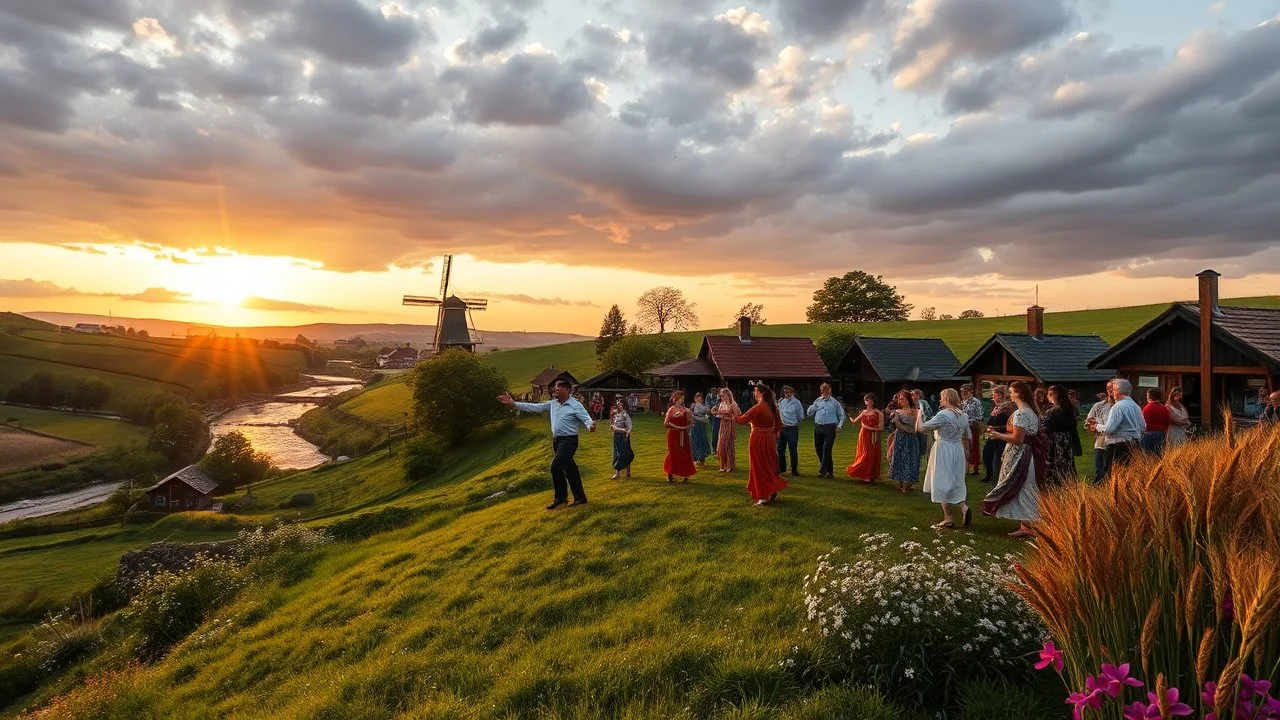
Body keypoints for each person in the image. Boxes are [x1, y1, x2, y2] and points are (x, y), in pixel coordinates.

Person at [499, 380, 596, 510]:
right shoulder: (553, 404)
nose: (555, 391)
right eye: (555, 389)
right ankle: (580, 498)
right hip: (557, 441)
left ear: (568, 390)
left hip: (569, 441)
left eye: (558, 389)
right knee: (570, 469)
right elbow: (535, 407)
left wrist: (590, 426)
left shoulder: (575, 405)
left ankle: (560, 498)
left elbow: (586, 418)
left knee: (556, 467)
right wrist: (513, 403)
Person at [981, 381, 1048, 538]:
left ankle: (1028, 524)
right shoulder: (1031, 411)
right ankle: (1026, 524)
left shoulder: (1021, 414)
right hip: (1029, 453)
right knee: (1025, 486)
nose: (1010, 394)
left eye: (1011, 391)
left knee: (1020, 485)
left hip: (1020, 454)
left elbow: (1018, 439)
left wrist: (998, 436)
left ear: (1019, 393)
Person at [918, 388, 972, 529]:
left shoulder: (944, 414)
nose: (940, 399)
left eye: (942, 397)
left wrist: (919, 413)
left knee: (941, 480)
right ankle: (962, 507)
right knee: (955, 479)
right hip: (957, 448)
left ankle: (949, 517)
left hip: (944, 448)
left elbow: (922, 428)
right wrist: (966, 453)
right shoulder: (963, 415)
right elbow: (968, 435)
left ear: (947, 398)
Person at [733, 384, 790, 505]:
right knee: (769, 464)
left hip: (758, 439)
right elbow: (779, 425)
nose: (754, 394)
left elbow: (742, 420)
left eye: (755, 391)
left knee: (759, 466)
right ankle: (770, 491)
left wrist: (733, 413)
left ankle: (763, 496)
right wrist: (773, 434)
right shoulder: (773, 407)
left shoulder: (758, 408)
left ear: (761, 393)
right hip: (770, 439)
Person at [1093, 378, 1145, 477]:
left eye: (1114, 390)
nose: (1112, 393)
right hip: (1135, 444)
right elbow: (1143, 426)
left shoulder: (1117, 407)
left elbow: (1109, 430)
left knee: (1114, 476)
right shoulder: (1135, 406)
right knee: (1131, 475)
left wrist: (1097, 426)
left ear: (1118, 390)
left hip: (1118, 446)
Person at [807, 383, 847, 478]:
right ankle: (827, 471)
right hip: (818, 427)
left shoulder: (835, 402)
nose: (824, 391)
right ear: (821, 390)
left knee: (826, 449)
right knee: (819, 449)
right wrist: (815, 405)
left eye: (827, 389)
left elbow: (842, 415)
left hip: (830, 428)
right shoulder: (817, 401)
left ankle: (823, 469)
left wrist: (839, 425)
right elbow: (809, 413)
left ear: (830, 390)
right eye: (823, 389)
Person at [1042, 385, 1079, 486]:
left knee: (1054, 465)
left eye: (1050, 394)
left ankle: (1055, 487)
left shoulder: (1053, 411)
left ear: (1056, 395)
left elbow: (1044, 428)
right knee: (1066, 465)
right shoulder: (1070, 409)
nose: (1048, 397)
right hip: (1066, 441)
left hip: (1054, 442)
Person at [886, 390, 921, 493]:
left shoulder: (915, 411)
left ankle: (907, 485)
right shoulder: (897, 412)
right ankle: (900, 485)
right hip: (900, 438)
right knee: (899, 458)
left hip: (910, 438)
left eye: (902, 399)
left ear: (908, 399)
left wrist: (898, 422)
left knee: (910, 460)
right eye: (899, 399)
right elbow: (894, 426)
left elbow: (912, 428)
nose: (900, 401)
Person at [846, 393, 884, 483]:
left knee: (871, 454)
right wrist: (850, 417)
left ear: (873, 400)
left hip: (873, 435)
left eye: (869, 399)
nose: (867, 402)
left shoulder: (879, 413)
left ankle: (869, 475)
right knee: (863, 453)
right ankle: (864, 474)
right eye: (866, 400)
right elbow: (855, 421)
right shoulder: (863, 412)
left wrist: (867, 427)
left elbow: (881, 427)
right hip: (863, 435)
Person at [981, 385, 1014, 483]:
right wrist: (992, 416)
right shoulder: (996, 407)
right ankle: (989, 475)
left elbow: (1010, 424)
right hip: (993, 435)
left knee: (998, 457)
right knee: (987, 455)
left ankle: (996, 477)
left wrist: (997, 428)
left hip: (1003, 437)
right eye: (993, 395)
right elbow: (990, 422)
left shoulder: (1009, 408)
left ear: (1001, 395)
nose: (993, 397)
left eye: (995, 395)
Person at [663, 390, 697, 483]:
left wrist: (687, 425)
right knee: (672, 453)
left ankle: (686, 475)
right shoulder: (671, 409)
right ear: (675, 399)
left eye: (683, 398)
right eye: (680, 398)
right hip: (673, 434)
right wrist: (676, 426)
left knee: (684, 453)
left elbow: (691, 422)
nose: (682, 400)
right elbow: (666, 423)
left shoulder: (686, 410)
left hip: (683, 435)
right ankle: (670, 474)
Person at [1085, 391, 1113, 483]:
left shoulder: (1119, 406)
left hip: (1114, 440)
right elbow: (1089, 420)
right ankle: (1099, 487)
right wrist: (1091, 425)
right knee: (1099, 467)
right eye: (1109, 388)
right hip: (1100, 441)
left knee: (1110, 468)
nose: (1110, 391)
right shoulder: (1099, 406)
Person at [776, 386, 804, 476]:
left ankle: (794, 470)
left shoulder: (797, 403)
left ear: (793, 392)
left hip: (792, 428)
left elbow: (800, 416)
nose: (786, 394)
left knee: (792, 449)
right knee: (780, 449)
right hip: (782, 429)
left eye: (788, 392)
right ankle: (781, 469)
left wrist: (794, 423)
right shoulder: (781, 402)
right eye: (785, 392)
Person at [712, 388, 740, 472]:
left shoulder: (733, 404)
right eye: (721, 396)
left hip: (729, 425)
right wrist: (717, 414)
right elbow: (718, 414)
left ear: (728, 395)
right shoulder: (721, 404)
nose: (722, 398)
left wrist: (728, 416)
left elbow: (737, 415)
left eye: (723, 396)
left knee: (728, 444)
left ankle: (729, 465)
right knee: (722, 444)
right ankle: (722, 465)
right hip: (722, 425)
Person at [959, 384, 984, 475]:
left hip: (973, 427)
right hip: (964, 428)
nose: (963, 393)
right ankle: (966, 466)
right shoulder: (962, 402)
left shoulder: (975, 402)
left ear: (971, 392)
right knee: (965, 447)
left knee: (974, 447)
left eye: (965, 391)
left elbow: (979, 416)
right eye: (962, 391)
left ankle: (975, 468)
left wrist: (969, 421)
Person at [609, 397, 634, 480]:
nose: (618, 405)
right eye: (618, 403)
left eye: (620, 404)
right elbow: (612, 426)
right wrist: (611, 416)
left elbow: (629, 426)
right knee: (617, 453)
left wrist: (627, 433)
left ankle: (628, 473)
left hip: (623, 436)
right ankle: (617, 474)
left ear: (623, 405)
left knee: (626, 453)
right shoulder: (616, 414)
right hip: (616, 435)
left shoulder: (625, 414)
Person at [1140, 388, 1170, 456]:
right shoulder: (1164, 408)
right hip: (1160, 434)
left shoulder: (1147, 408)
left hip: (1148, 434)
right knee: (1158, 456)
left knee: (1147, 457)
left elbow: (1143, 422)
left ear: (1149, 397)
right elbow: (1168, 421)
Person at [690, 392, 712, 466]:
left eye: (700, 398)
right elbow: (709, 411)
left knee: (701, 442)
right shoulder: (695, 406)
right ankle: (697, 459)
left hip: (701, 426)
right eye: (697, 398)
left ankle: (701, 460)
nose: (699, 399)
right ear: (695, 399)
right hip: (696, 426)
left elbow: (709, 412)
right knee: (696, 441)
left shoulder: (701, 406)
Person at [913, 389, 934, 459]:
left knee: (921, 441)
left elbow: (926, 413)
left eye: (914, 394)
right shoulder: (912, 403)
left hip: (921, 423)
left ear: (919, 395)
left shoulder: (922, 402)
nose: (913, 396)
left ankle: (920, 453)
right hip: (914, 424)